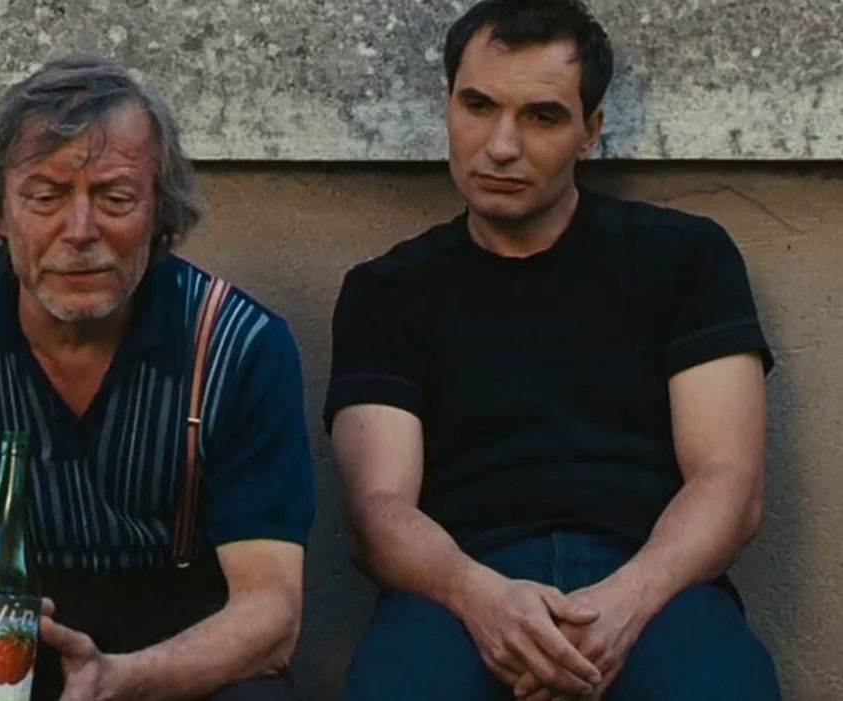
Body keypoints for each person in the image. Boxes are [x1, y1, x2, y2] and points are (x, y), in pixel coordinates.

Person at [0, 55, 313, 701]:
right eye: (46, 197)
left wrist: (131, 679)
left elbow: (271, 609)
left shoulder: (238, 346)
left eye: (115, 198)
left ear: (160, 213)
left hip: (170, 637)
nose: (80, 232)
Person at [326, 1, 782, 699]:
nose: (500, 145)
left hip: (653, 581)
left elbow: (729, 482)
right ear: (448, 104)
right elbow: (377, 511)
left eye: (541, 116)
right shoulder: (385, 291)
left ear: (589, 132)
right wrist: (481, 599)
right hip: (458, 589)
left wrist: (624, 603)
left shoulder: (684, 257)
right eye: (478, 106)